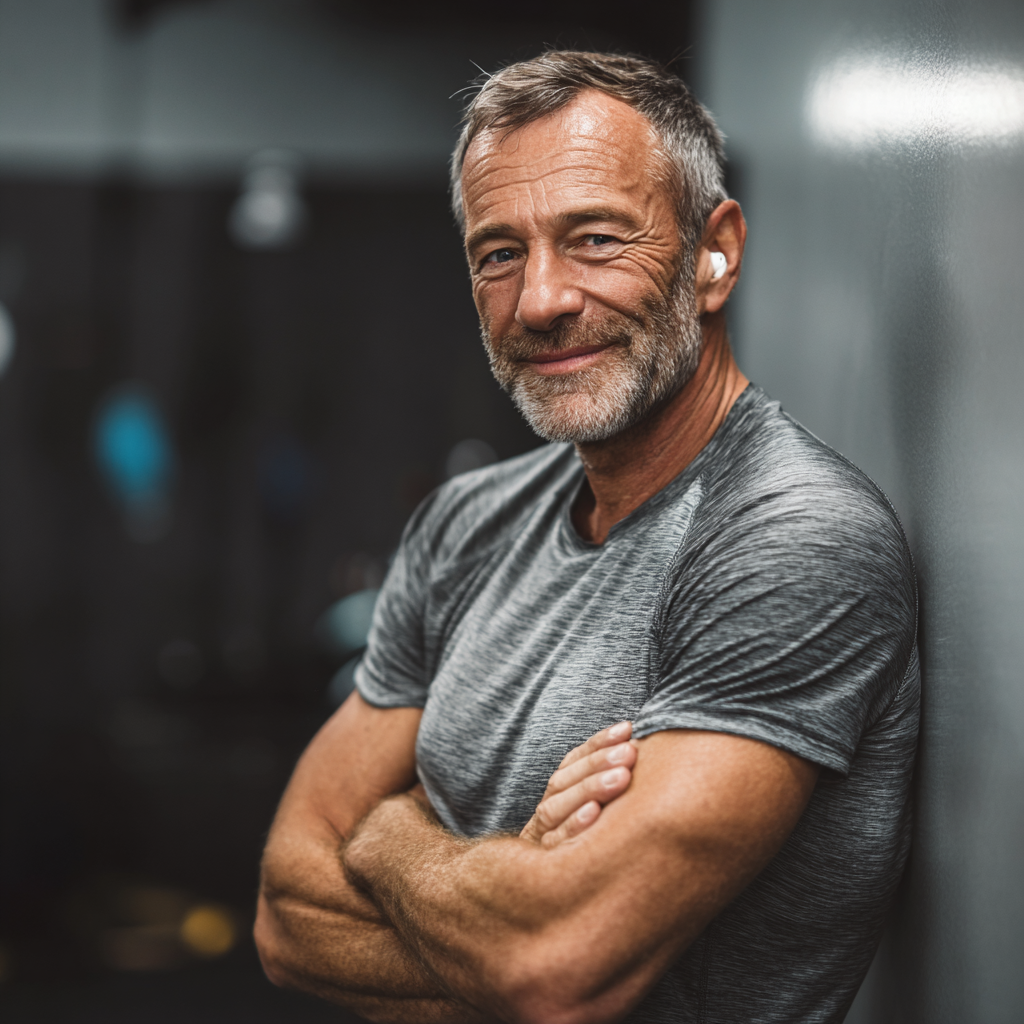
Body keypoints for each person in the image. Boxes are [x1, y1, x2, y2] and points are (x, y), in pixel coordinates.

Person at [254, 51, 919, 1024]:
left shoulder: (793, 538)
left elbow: (556, 969)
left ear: (713, 252)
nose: (540, 300)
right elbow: (283, 911)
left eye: (596, 239)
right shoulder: (464, 523)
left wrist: (394, 833)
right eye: (498, 252)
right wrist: (502, 886)